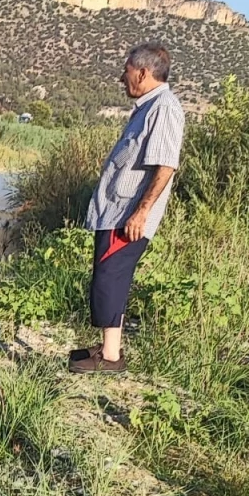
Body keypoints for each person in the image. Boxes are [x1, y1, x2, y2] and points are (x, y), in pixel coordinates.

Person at [70, 43, 185, 374]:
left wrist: (141, 212)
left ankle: (109, 358)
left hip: (129, 215)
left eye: (127, 70)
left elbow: (166, 165)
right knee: (109, 276)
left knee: (110, 276)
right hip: (116, 211)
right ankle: (109, 349)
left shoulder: (164, 108)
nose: (123, 77)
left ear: (143, 73)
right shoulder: (147, 108)